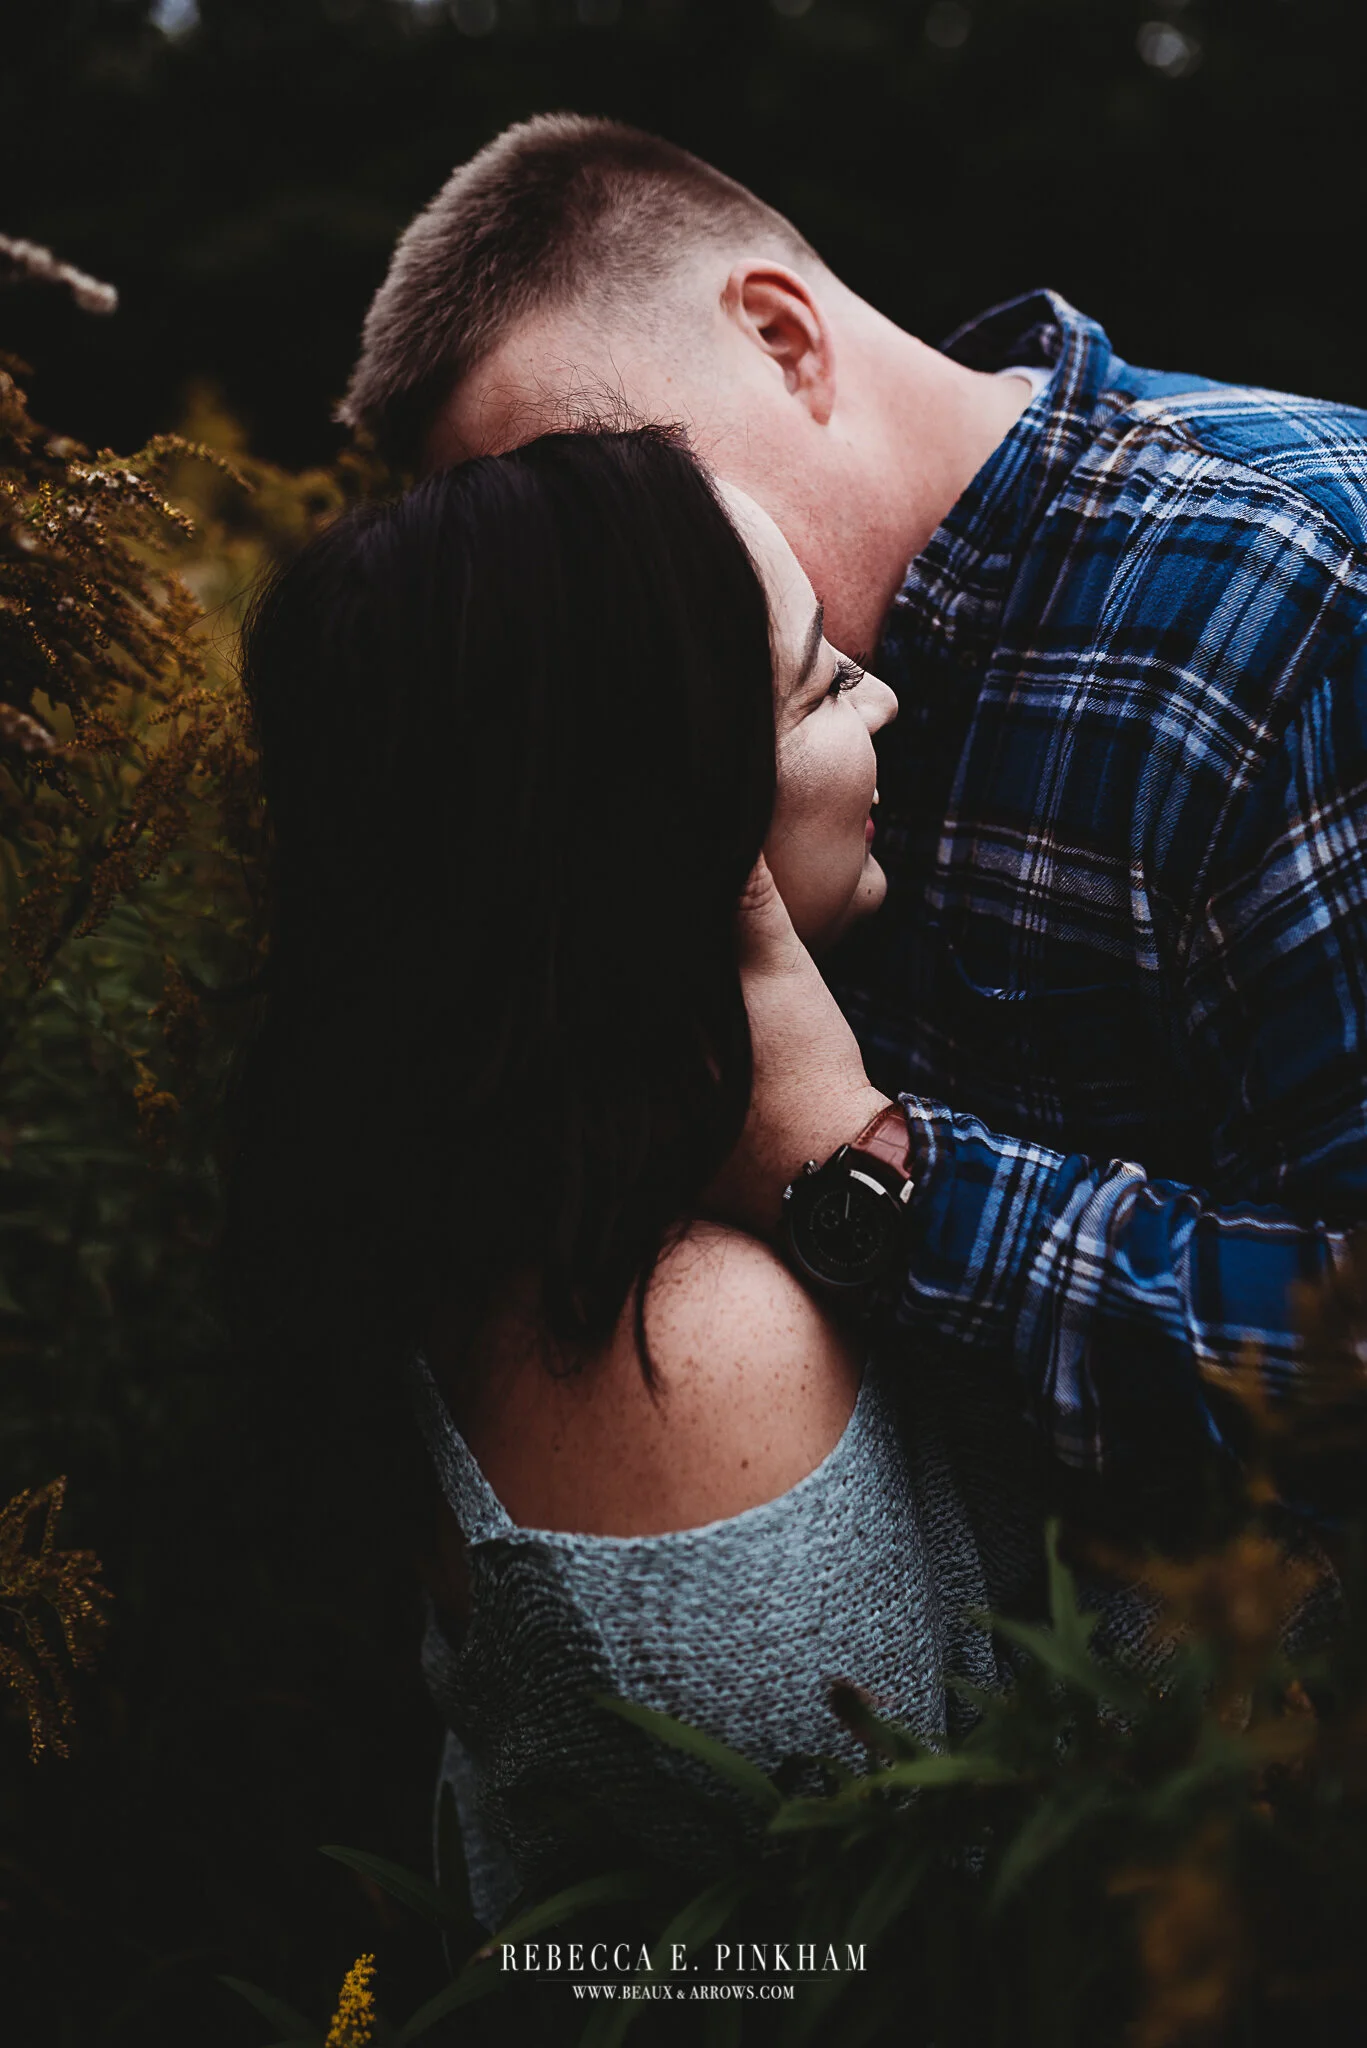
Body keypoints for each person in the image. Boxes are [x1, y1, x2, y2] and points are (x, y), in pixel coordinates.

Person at [340, 114, 1367, 1537]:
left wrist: (859, 1170)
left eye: (635, 504)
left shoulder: (1299, 602)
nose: (605, 597)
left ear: (779, 336)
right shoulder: (695, 758)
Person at [230, 426, 1144, 1931]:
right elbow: (917, 1931)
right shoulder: (678, 1345)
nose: (887, 699)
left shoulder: (573, 1219)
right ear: (674, 820)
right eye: (819, 684)